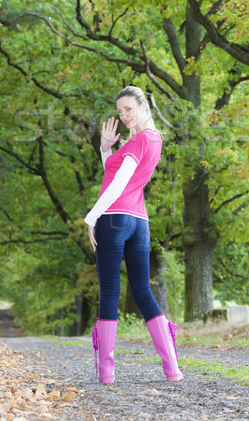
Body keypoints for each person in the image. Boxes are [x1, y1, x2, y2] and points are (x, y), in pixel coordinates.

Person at [84, 85, 183, 384]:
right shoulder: (153, 140)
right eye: (119, 111)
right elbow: (114, 175)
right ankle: (173, 370)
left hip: (114, 219)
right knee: (143, 292)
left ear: (143, 106)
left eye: (128, 108)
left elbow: (117, 185)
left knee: (110, 290)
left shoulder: (139, 140)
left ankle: (106, 373)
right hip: (139, 222)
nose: (124, 115)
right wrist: (105, 148)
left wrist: (92, 216)